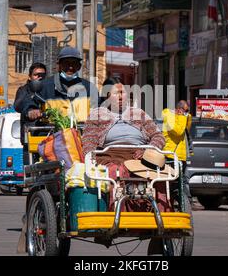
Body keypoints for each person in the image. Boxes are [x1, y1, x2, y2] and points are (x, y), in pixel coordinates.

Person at [82, 77, 170, 211]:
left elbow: (158, 136)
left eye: (122, 92)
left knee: (159, 176)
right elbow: (89, 142)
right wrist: (91, 160)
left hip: (141, 156)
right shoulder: (98, 114)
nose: (121, 97)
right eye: (116, 93)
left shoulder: (138, 113)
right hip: (111, 156)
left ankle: (160, 216)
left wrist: (149, 151)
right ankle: (120, 214)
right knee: (117, 173)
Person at [22, 47, 98, 123]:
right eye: (66, 63)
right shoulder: (44, 86)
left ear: (79, 66)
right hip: (50, 133)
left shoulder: (90, 88)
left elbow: (100, 111)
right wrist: (31, 110)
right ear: (59, 66)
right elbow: (28, 103)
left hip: (82, 133)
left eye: (74, 63)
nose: (70, 67)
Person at [14, 62, 47, 162]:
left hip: (49, 137)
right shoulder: (24, 90)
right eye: (36, 75)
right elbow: (18, 105)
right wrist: (30, 111)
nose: (40, 77)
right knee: (30, 172)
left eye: (43, 75)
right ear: (29, 77)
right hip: (31, 139)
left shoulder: (50, 90)